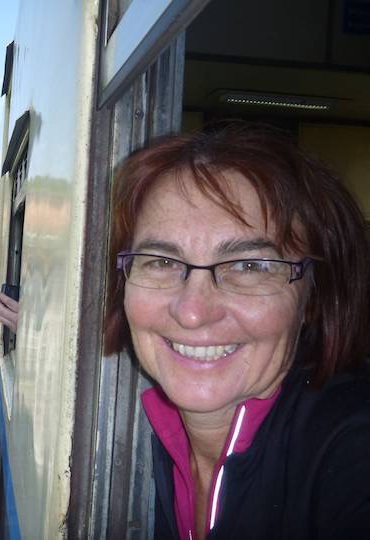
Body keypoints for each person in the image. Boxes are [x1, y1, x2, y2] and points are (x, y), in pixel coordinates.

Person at [104, 121, 370, 539]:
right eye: (162, 261)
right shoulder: (158, 439)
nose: (193, 312)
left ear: (314, 297)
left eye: (250, 266)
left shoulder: (348, 445)